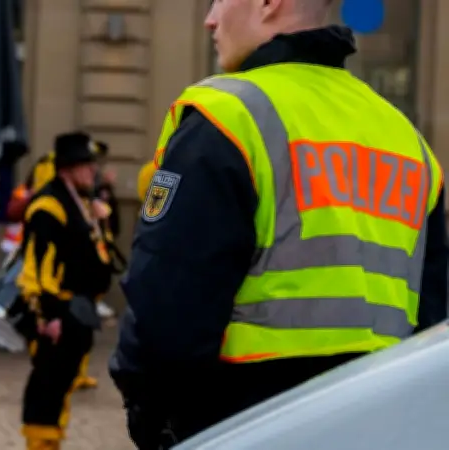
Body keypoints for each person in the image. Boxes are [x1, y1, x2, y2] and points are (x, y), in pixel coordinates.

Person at [110, 1, 448, 448]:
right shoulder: (407, 141)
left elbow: (166, 314)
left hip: (242, 421)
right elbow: (433, 327)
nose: (210, 18)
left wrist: (155, 419)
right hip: (373, 427)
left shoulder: (226, 119)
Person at [18, 132, 116, 450]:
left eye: (92, 165)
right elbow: (37, 268)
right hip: (58, 312)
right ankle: (41, 445)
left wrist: (103, 223)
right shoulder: (49, 206)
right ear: (67, 169)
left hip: (79, 310)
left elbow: (100, 256)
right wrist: (48, 316)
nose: (92, 172)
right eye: (85, 166)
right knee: (46, 388)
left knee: (60, 388)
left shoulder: (83, 203)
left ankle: (51, 444)